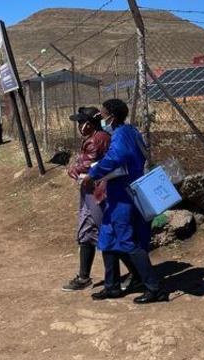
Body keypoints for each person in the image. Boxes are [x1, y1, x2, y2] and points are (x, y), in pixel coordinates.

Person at [81, 99, 167, 304]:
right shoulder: (130, 131)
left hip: (124, 194)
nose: (101, 118)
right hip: (119, 192)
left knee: (127, 241)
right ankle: (111, 287)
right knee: (107, 238)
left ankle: (154, 288)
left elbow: (116, 158)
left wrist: (93, 173)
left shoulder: (120, 135)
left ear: (112, 115)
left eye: (103, 114)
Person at [61, 106, 139, 292]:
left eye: (81, 122)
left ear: (90, 123)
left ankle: (137, 273)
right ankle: (84, 277)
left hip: (97, 192)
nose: (79, 126)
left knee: (109, 233)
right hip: (91, 191)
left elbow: (87, 166)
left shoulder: (97, 140)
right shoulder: (97, 137)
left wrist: (74, 168)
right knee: (86, 232)